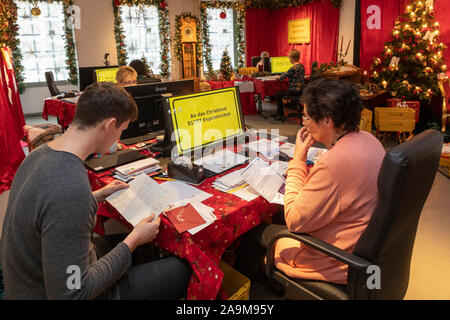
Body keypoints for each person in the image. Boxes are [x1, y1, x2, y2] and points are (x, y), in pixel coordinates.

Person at [1, 82, 191, 299]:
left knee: (146, 247)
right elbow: (73, 294)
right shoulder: (71, 188)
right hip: (59, 292)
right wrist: (133, 241)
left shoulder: (41, 155)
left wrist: (95, 196)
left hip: (31, 282)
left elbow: (49, 211)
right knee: (183, 268)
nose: (118, 139)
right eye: (121, 130)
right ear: (110, 125)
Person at [234, 78, 386, 293]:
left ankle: (246, 294)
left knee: (253, 236)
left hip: (333, 260)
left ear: (327, 120)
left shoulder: (336, 161)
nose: (304, 123)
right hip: (359, 243)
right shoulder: (371, 141)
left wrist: (299, 158)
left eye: (307, 117)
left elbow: (295, 221)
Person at [273, 49, 305, 121]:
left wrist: (278, 76)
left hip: (293, 91)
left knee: (278, 94)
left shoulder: (293, 68)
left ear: (291, 58)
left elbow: (281, 78)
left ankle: (280, 114)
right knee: (281, 93)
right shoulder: (302, 66)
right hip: (301, 91)